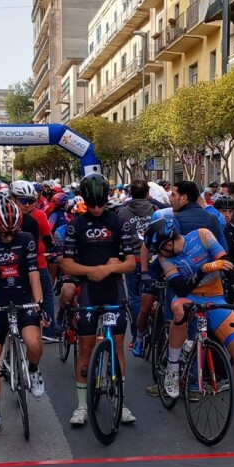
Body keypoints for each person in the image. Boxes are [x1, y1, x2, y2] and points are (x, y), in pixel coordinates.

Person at [144, 216, 234, 433]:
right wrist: (205, 269)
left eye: (158, 249)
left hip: (216, 299)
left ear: (168, 243)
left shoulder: (202, 235)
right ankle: (172, 369)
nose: (157, 255)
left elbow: (228, 267)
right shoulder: (165, 260)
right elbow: (180, 288)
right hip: (189, 298)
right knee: (178, 307)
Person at [61, 172, 136, 428]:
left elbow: (131, 263)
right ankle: (82, 405)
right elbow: (66, 263)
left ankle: (121, 402)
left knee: (116, 345)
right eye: (91, 204)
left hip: (113, 289)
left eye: (100, 203)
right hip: (89, 292)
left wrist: (109, 269)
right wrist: (92, 271)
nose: (95, 208)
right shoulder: (75, 225)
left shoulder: (119, 222)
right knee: (85, 347)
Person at [0, 199, 45, 433]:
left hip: (24, 296)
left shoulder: (26, 240)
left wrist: (39, 304)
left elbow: (34, 274)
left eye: (12, 232)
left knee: (34, 342)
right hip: (0, 301)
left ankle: (33, 371)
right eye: (4, 233)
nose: (8, 237)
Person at [11, 181, 57, 340]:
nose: (29, 205)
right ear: (13, 198)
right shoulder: (39, 215)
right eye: (24, 201)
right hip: (26, 264)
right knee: (44, 296)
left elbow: (46, 239)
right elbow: (48, 239)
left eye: (32, 201)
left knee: (40, 296)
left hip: (34, 263)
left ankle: (44, 330)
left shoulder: (37, 216)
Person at [117, 179, 156, 343]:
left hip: (132, 259)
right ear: (147, 194)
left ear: (130, 194)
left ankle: (136, 335)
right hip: (153, 260)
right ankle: (155, 332)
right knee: (153, 296)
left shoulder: (123, 212)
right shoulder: (155, 210)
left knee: (134, 298)